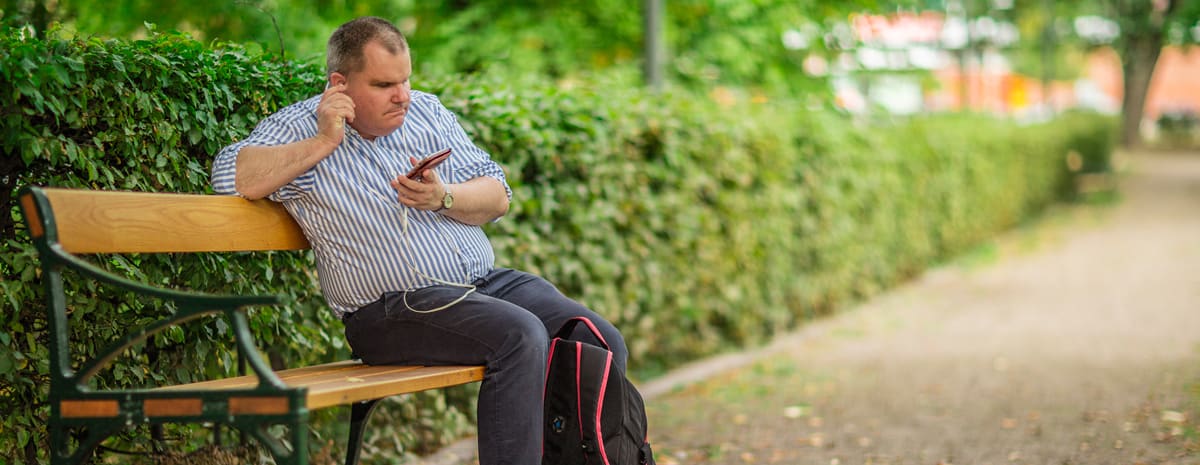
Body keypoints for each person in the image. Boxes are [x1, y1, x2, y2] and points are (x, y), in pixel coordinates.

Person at [210, 16, 628, 465]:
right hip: (392, 310)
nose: (403, 95)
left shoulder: (427, 110)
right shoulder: (300, 128)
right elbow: (227, 179)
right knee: (520, 335)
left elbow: (496, 194)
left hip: (480, 286)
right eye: (385, 84)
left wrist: (441, 196)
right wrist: (323, 141)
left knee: (598, 337)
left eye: (406, 79)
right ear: (340, 84)